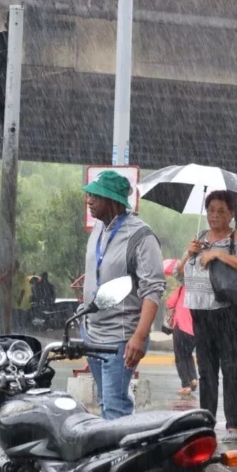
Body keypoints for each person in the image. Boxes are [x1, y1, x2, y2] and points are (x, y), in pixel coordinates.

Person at [81, 170, 165, 419]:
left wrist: (139, 336)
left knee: (115, 405)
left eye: (95, 196)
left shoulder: (141, 236)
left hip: (120, 337)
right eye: (89, 195)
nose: (89, 200)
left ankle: (123, 445)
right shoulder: (99, 228)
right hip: (92, 333)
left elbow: (153, 289)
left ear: (112, 200)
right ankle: (112, 442)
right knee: (105, 402)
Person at [175, 190, 237, 442]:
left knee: (229, 367)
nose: (215, 215)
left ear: (231, 213)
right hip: (200, 310)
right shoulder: (199, 238)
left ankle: (233, 425)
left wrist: (219, 254)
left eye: (221, 210)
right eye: (211, 210)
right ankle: (206, 422)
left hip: (228, 310)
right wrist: (189, 254)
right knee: (206, 370)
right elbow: (179, 274)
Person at [165, 279, 198, 397]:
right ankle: (193, 379)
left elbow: (169, 303)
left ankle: (185, 385)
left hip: (181, 327)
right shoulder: (201, 292)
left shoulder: (182, 289)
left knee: (180, 357)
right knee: (188, 354)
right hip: (195, 330)